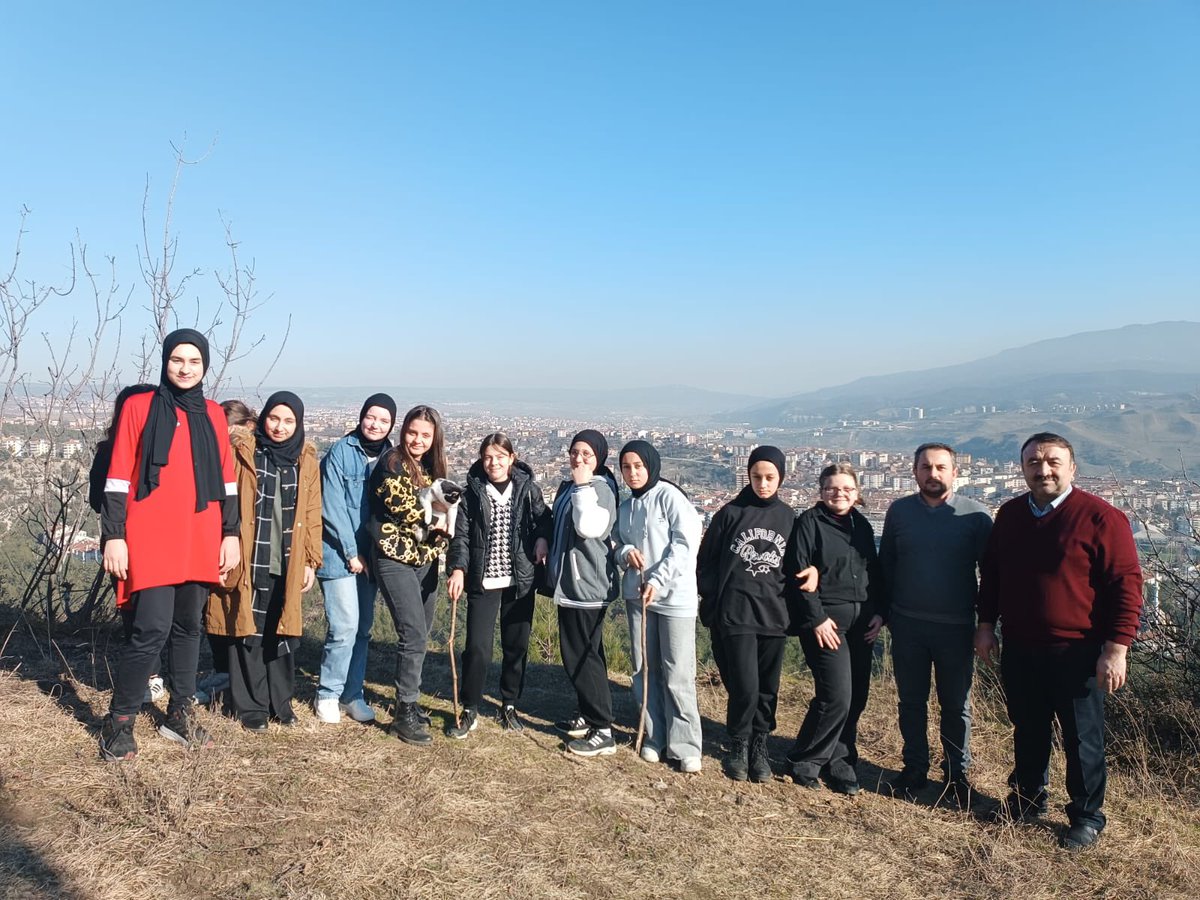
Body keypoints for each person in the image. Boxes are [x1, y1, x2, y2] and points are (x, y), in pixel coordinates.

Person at [976, 433, 1143, 852]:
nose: (1043, 469)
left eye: (1052, 461)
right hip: (1020, 644)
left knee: (1082, 738)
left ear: (1072, 468)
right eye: (1033, 461)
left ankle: (1086, 816)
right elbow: (993, 575)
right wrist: (984, 624)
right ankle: (1027, 799)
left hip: (1078, 650)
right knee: (1027, 727)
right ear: (1023, 468)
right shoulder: (1011, 514)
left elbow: (1126, 585)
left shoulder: (1102, 517)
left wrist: (1116, 648)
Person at [98, 329, 239, 761]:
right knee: (150, 629)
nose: (185, 368)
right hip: (150, 535)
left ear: (205, 367)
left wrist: (230, 533)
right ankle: (119, 721)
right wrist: (114, 536)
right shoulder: (140, 407)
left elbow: (227, 477)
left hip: (200, 532)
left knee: (188, 628)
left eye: (194, 361)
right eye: (178, 359)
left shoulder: (213, 413)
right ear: (165, 362)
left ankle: (180, 714)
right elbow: (119, 474)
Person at [879, 443, 992, 805]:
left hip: (956, 628)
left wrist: (986, 624)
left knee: (956, 705)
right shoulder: (899, 512)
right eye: (926, 467)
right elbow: (887, 567)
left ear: (955, 473)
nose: (933, 474)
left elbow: (991, 576)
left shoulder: (976, 516)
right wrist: (887, 614)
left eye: (941, 467)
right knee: (911, 701)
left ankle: (957, 775)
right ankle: (914, 768)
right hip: (908, 625)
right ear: (914, 472)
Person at [205, 392, 322, 731]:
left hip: (288, 557)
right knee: (247, 631)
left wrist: (311, 560)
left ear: (298, 424)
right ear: (263, 418)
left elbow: (313, 511)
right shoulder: (244, 450)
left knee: (281, 632)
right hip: (249, 555)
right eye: (274, 418)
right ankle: (250, 707)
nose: (280, 427)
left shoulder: (306, 460)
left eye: (289, 421)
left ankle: (280, 704)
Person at [784, 463, 884, 796]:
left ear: (857, 493)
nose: (839, 494)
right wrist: (815, 618)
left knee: (856, 697)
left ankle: (841, 761)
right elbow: (798, 573)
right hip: (826, 622)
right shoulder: (809, 524)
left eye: (846, 489)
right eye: (832, 488)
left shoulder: (861, 525)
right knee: (836, 695)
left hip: (862, 623)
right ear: (821, 491)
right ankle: (805, 760)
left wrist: (880, 614)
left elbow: (874, 572)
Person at [697, 446, 795, 782]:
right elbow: (706, 560)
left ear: (781, 477)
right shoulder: (731, 513)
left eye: (770, 478)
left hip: (774, 614)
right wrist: (713, 597)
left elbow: (798, 563)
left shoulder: (788, 517)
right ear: (748, 476)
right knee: (744, 685)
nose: (763, 484)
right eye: (757, 477)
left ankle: (760, 744)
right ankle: (738, 742)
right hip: (735, 613)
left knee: (768, 686)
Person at [445, 433, 550, 737]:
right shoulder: (471, 494)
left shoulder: (527, 489)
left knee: (516, 646)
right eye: (488, 457)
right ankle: (470, 707)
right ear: (481, 459)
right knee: (477, 648)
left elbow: (544, 519)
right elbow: (461, 537)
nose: (494, 463)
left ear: (511, 458)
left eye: (500, 456)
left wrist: (542, 538)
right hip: (483, 579)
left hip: (520, 579)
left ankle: (509, 703)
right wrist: (458, 569)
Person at [614, 440, 704, 772]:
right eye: (626, 467)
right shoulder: (626, 507)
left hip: (674, 597)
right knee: (644, 668)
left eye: (638, 466)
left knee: (678, 671)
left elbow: (685, 544)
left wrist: (658, 580)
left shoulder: (670, 497)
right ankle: (655, 735)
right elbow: (616, 543)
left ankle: (686, 743)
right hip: (637, 596)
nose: (633, 473)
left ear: (651, 465)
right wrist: (623, 553)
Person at [369, 405, 451, 746]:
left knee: (420, 633)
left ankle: (411, 702)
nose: (417, 440)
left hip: (425, 559)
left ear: (435, 439)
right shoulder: (391, 464)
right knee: (413, 632)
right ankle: (403, 714)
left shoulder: (430, 467)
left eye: (425, 435)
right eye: (412, 433)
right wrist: (441, 511)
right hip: (393, 557)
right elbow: (406, 508)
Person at [314, 393, 397, 725]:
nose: (375, 425)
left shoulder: (392, 457)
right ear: (361, 417)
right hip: (339, 554)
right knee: (344, 626)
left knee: (362, 628)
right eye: (370, 417)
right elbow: (331, 506)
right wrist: (351, 552)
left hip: (371, 556)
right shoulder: (340, 453)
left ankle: (352, 693)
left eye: (383, 420)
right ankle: (328, 693)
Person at [88, 384, 162, 704]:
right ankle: (152, 675)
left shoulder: (111, 448)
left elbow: (95, 500)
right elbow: (97, 499)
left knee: (143, 610)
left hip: (135, 539)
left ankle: (152, 675)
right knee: (142, 610)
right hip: (127, 540)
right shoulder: (111, 451)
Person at [548, 430, 620, 757]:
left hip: (587, 586)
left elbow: (588, 527)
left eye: (587, 454)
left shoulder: (599, 489)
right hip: (573, 585)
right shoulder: (575, 486)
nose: (579, 459)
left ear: (600, 458)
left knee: (582, 655)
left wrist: (581, 486)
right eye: (575, 452)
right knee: (585, 652)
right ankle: (587, 715)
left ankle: (602, 729)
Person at [195, 399, 258, 707]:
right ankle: (226, 674)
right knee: (220, 609)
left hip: (234, 539)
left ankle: (230, 675)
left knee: (227, 609)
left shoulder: (242, 452)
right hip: (222, 537)